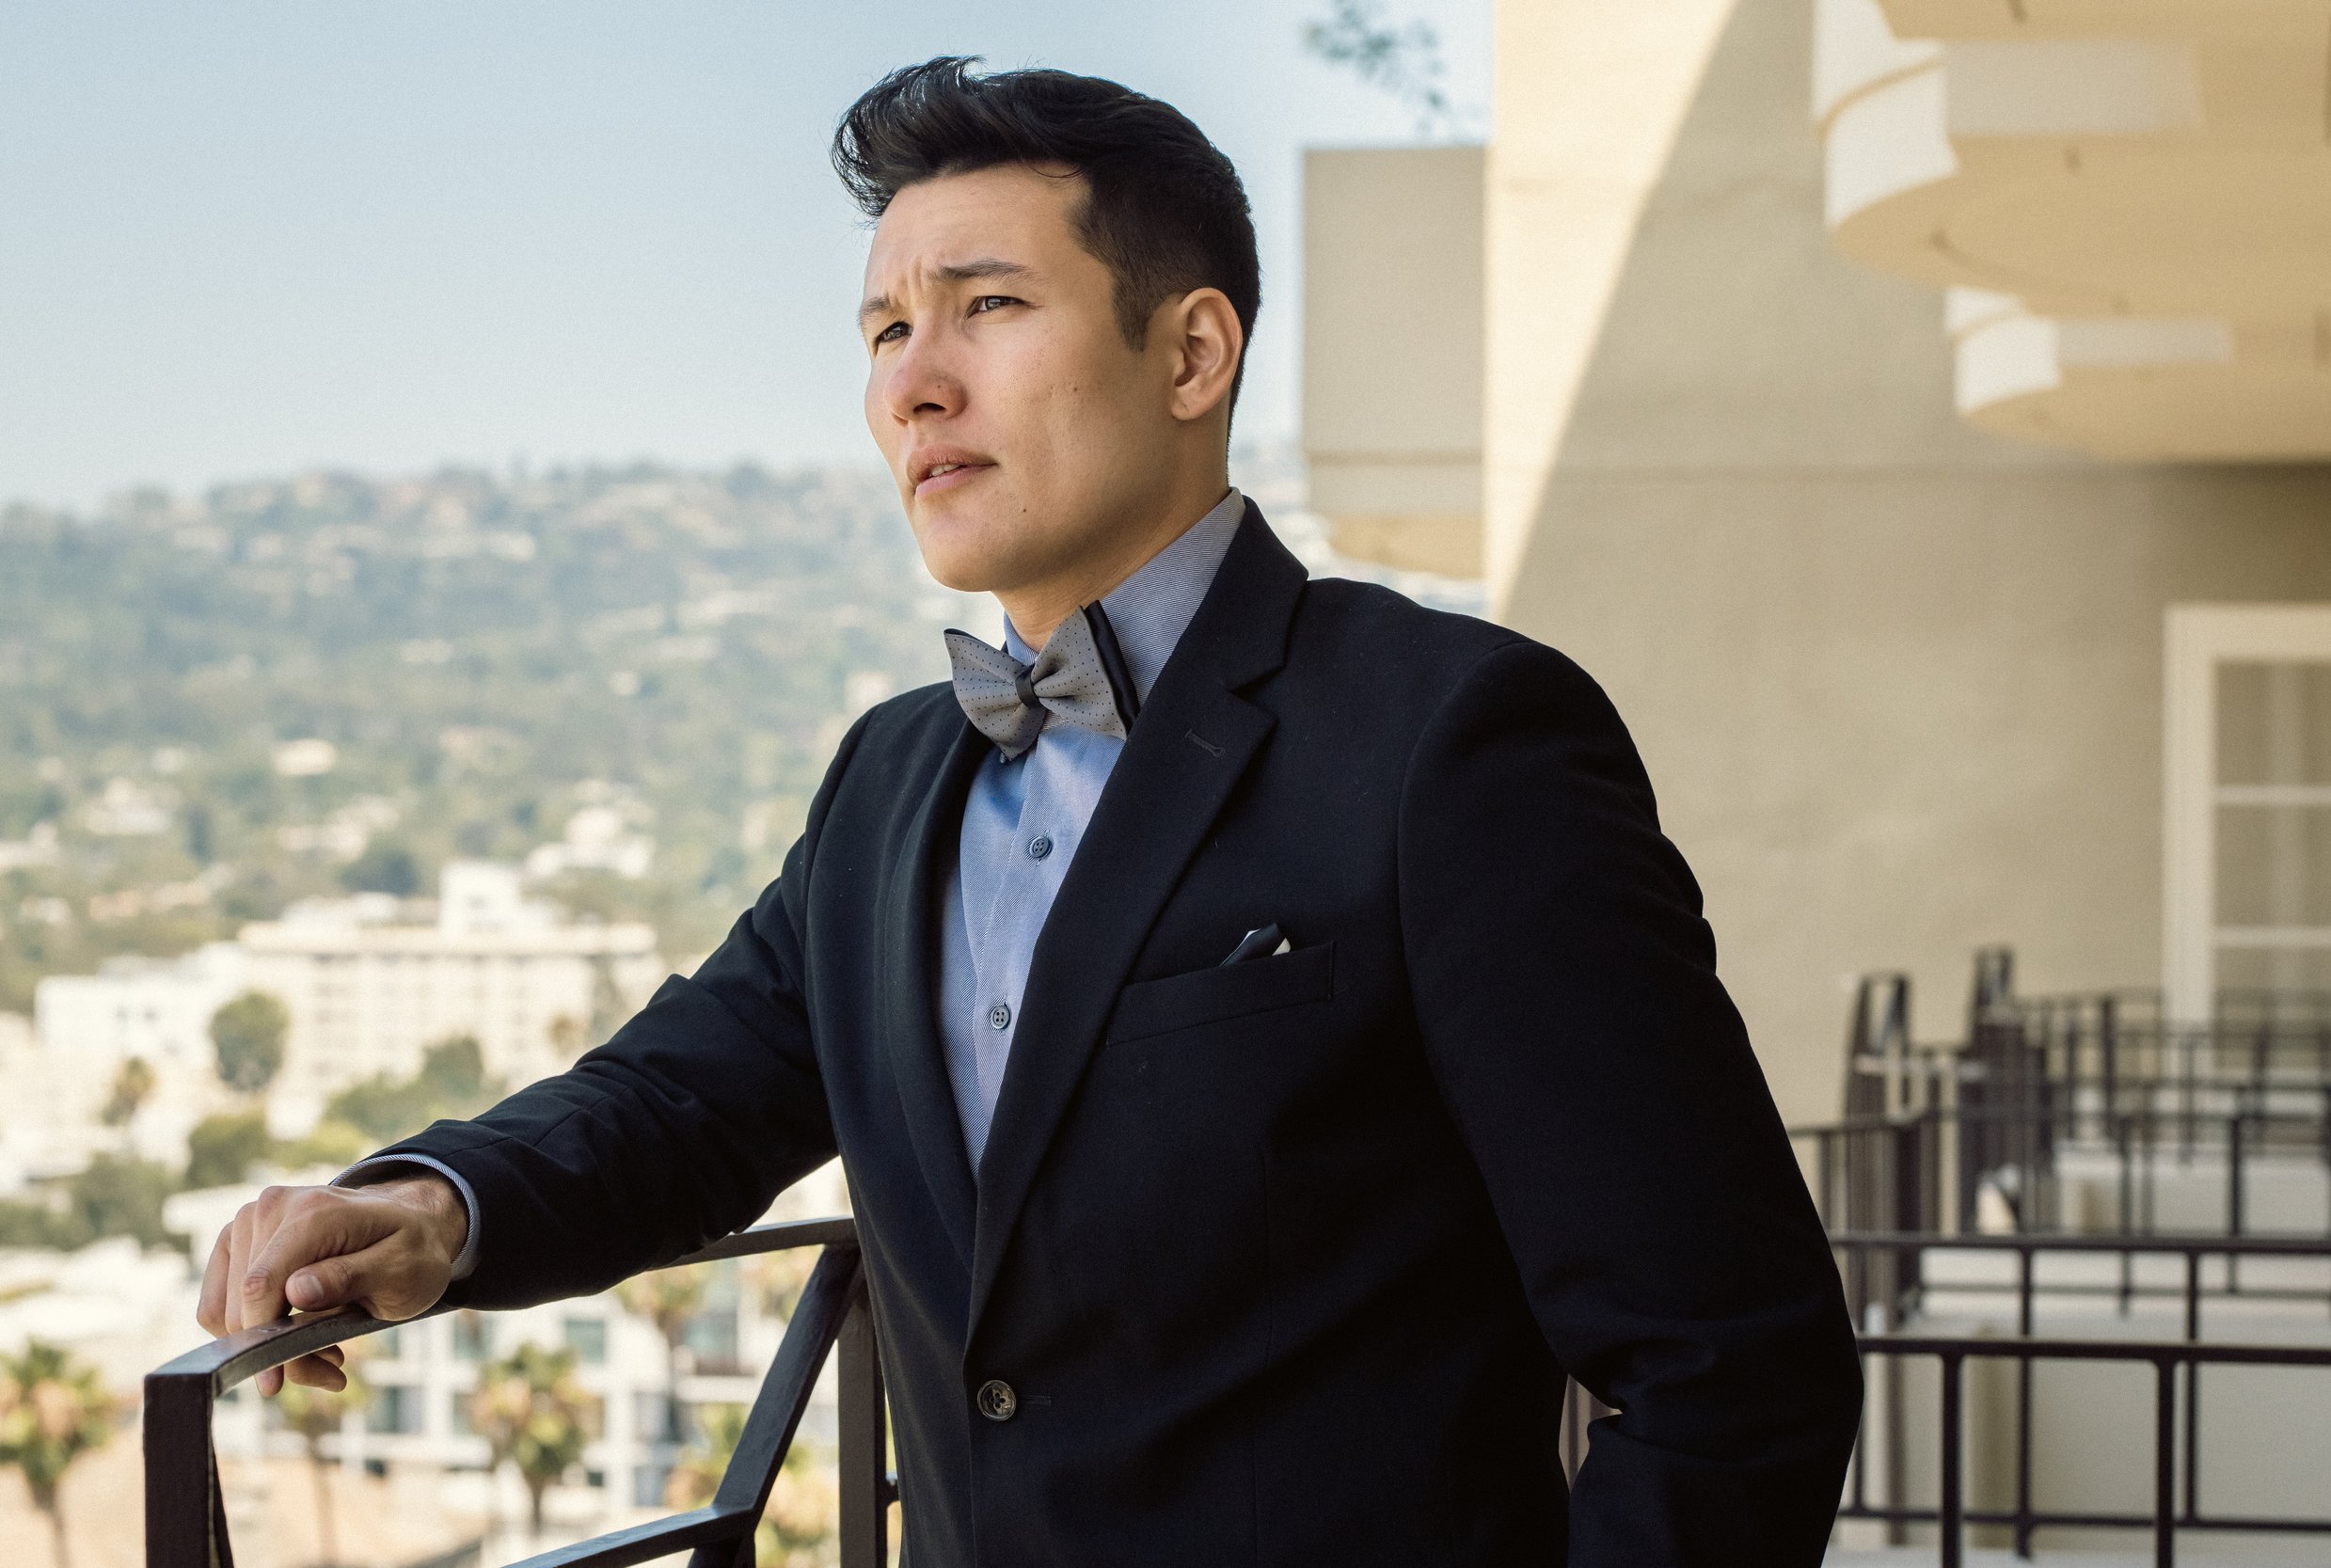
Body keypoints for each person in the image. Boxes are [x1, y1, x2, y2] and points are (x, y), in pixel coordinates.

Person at [197, 56, 1862, 1566]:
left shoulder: (1455, 741)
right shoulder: (888, 780)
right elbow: (682, 1102)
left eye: (986, 305)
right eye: (882, 331)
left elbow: (1729, 1367)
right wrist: (428, 1208)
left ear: (1191, 350)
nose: (915, 383)